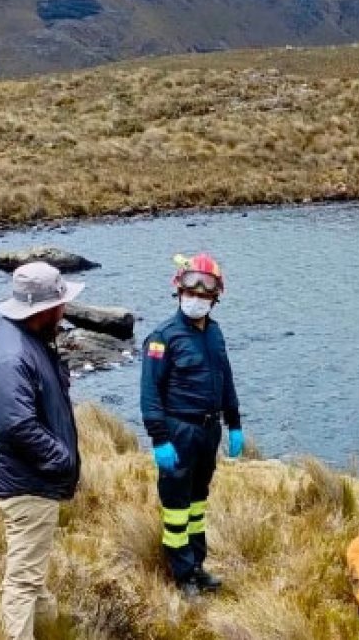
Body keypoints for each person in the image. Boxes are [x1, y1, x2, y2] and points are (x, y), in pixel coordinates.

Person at [0, 262, 84, 640]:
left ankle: (50, 628)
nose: (65, 310)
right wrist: (61, 459)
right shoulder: (13, 355)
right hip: (29, 484)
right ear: (44, 309)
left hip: (30, 479)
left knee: (31, 574)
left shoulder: (25, 339)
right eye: (60, 304)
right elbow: (16, 425)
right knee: (23, 582)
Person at [141, 253, 244, 595]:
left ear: (215, 297)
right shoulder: (163, 337)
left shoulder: (215, 333)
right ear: (179, 291)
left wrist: (234, 423)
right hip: (178, 431)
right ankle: (182, 573)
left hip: (209, 430)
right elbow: (150, 392)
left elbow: (226, 379)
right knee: (176, 506)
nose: (196, 297)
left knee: (198, 501)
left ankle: (197, 565)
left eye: (204, 292)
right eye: (190, 290)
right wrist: (159, 439)